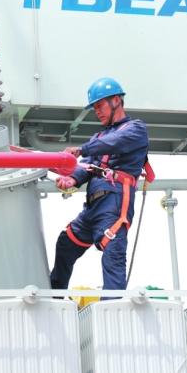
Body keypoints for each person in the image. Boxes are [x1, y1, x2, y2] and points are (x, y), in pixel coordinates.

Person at [49, 77, 149, 293]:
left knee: (113, 254)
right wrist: (72, 179)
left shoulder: (136, 129)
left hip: (114, 203)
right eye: (94, 108)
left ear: (116, 101)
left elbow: (115, 143)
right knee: (66, 243)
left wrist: (81, 149)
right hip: (93, 207)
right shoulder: (99, 137)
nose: (97, 112)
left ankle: (113, 308)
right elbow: (88, 165)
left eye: (100, 105)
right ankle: (54, 300)